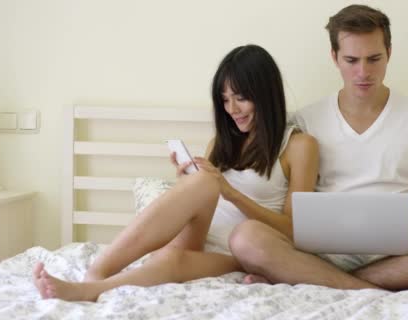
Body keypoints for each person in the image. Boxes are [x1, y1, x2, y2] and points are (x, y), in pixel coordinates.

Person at [32, 44, 318, 301]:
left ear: (265, 94)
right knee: (201, 183)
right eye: (225, 100)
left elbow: (294, 231)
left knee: (171, 257)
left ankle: (90, 291)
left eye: (241, 98)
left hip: (241, 250)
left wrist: (230, 193)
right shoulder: (221, 143)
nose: (232, 109)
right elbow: (205, 199)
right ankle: (97, 272)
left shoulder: (299, 146)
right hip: (201, 236)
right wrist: (187, 185)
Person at [228, 5, 408, 292]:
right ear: (334, 57)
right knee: (245, 238)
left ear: (390, 53)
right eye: (351, 60)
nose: (363, 72)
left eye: (374, 59)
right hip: (315, 252)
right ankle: (342, 281)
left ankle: (323, 282)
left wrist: (406, 237)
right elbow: (264, 183)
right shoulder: (304, 121)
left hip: (396, 255)